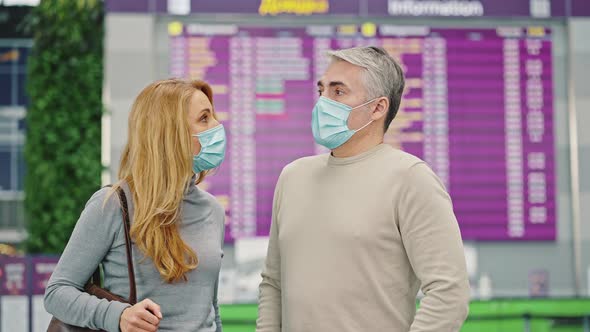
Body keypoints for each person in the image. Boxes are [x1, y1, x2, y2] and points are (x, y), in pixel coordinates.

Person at [256, 46, 470, 332]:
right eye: (322, 90)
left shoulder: (410, 179)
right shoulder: (293, 177)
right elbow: (273, 284)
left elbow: (449, 293)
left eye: (338, 92)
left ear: (378, 108)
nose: (323, 102)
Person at [45, 79, 226, 332]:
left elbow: (210, 308)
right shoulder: (112, 205)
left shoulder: (213, 211)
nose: (218, 126)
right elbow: (57, 292)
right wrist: (118, 316)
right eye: (204, 118)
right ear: (169, 132)